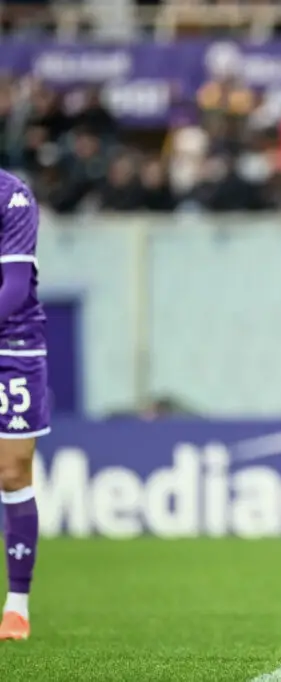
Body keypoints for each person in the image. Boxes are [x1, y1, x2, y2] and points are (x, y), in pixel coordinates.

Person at [0, 170, 49, 640]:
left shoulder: (12, 196)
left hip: (12, 346)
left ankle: (16, 606)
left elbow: (14, 287)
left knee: (12, 471)